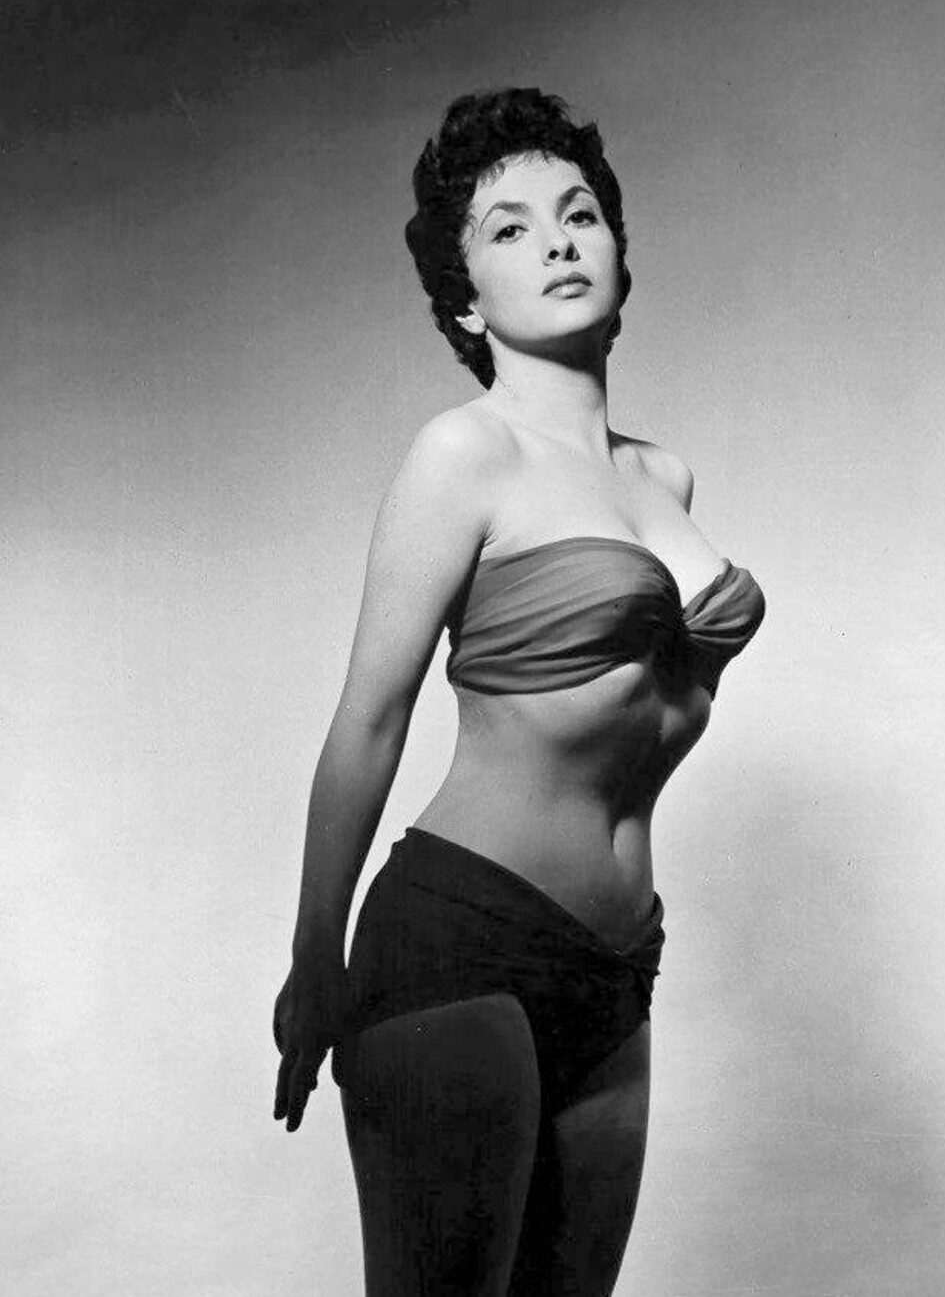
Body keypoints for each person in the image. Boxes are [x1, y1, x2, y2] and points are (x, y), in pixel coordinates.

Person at [273, 87, 765, 1296]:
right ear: (464, 299)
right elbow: (370, 717)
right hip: (461, 946)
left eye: (579, 214)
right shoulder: (465, 454)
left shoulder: (663, 476)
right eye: (511, 228)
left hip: (619, 963)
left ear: (619, 255)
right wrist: (314, 957)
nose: (556, 241)